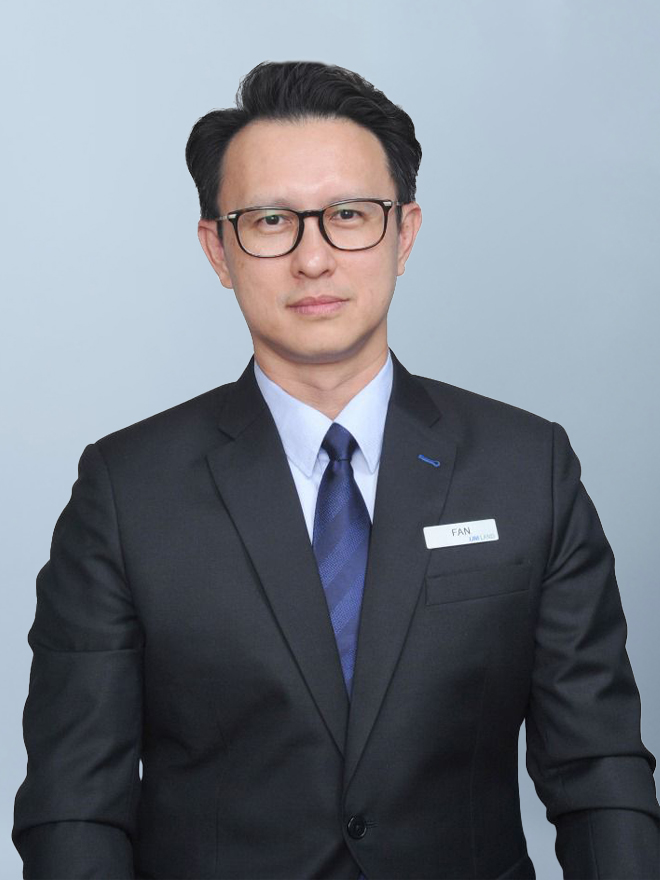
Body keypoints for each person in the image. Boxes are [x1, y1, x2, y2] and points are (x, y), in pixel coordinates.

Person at [13, 60, 660, 880]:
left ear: (405, 233)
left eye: (349, 215)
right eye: (270, 220)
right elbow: (74, 807)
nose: (313, 259)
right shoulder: (125, 492)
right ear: (218, 248)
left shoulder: (527, 468)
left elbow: (598, 771)